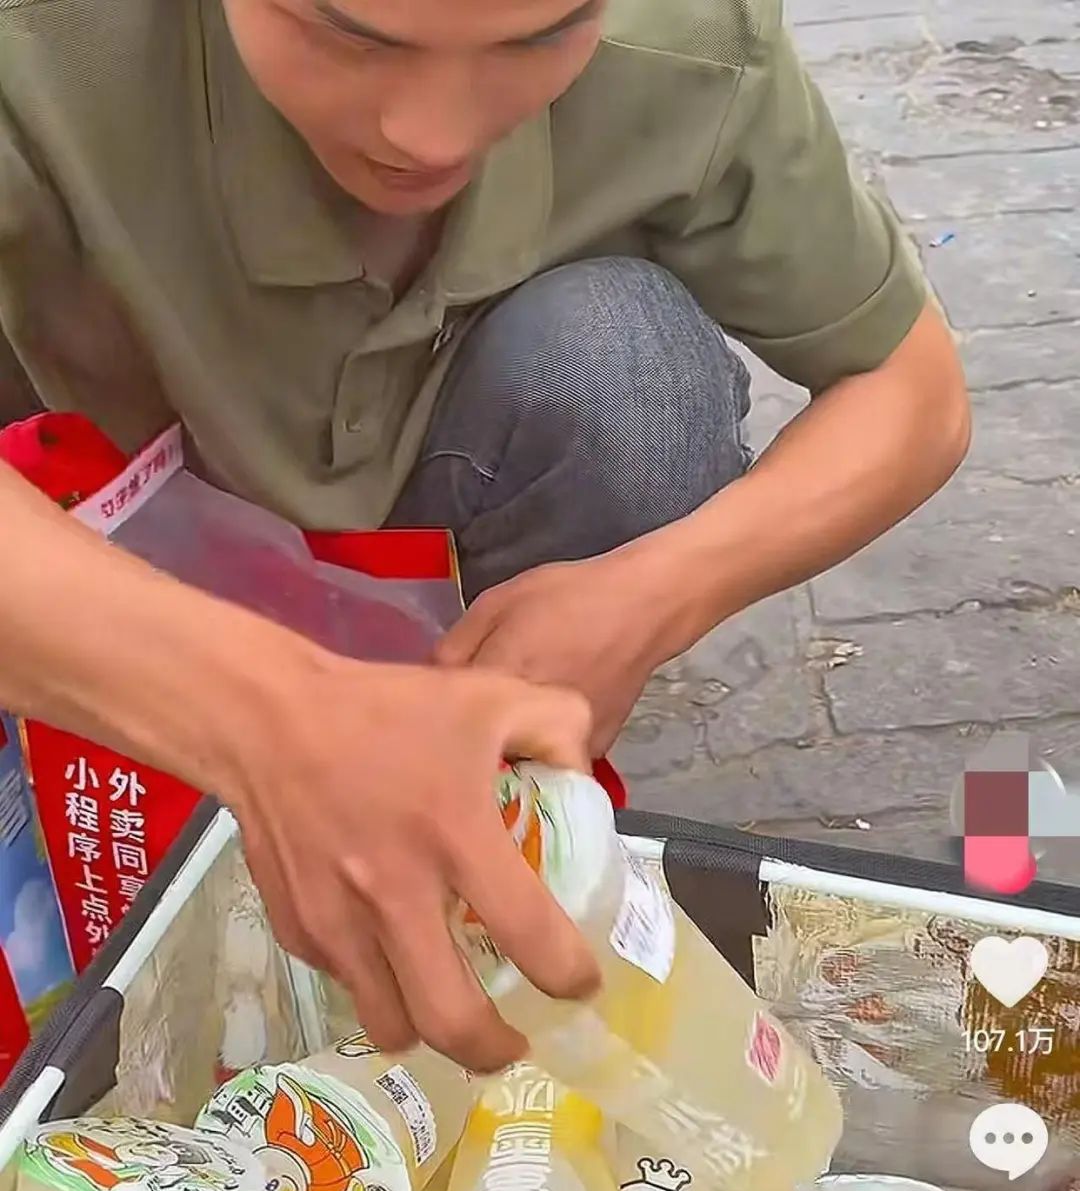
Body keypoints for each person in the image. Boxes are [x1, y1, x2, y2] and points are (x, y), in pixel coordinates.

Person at [0, 0, 971, 1072]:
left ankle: (485, 806)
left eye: (534, 39)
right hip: (92, 539)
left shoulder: (684, 39)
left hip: (447, 508)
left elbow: (912, 391)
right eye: (351, 36)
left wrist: (649, 594)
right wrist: (273, 718)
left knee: (629, 370)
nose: (432, 133)